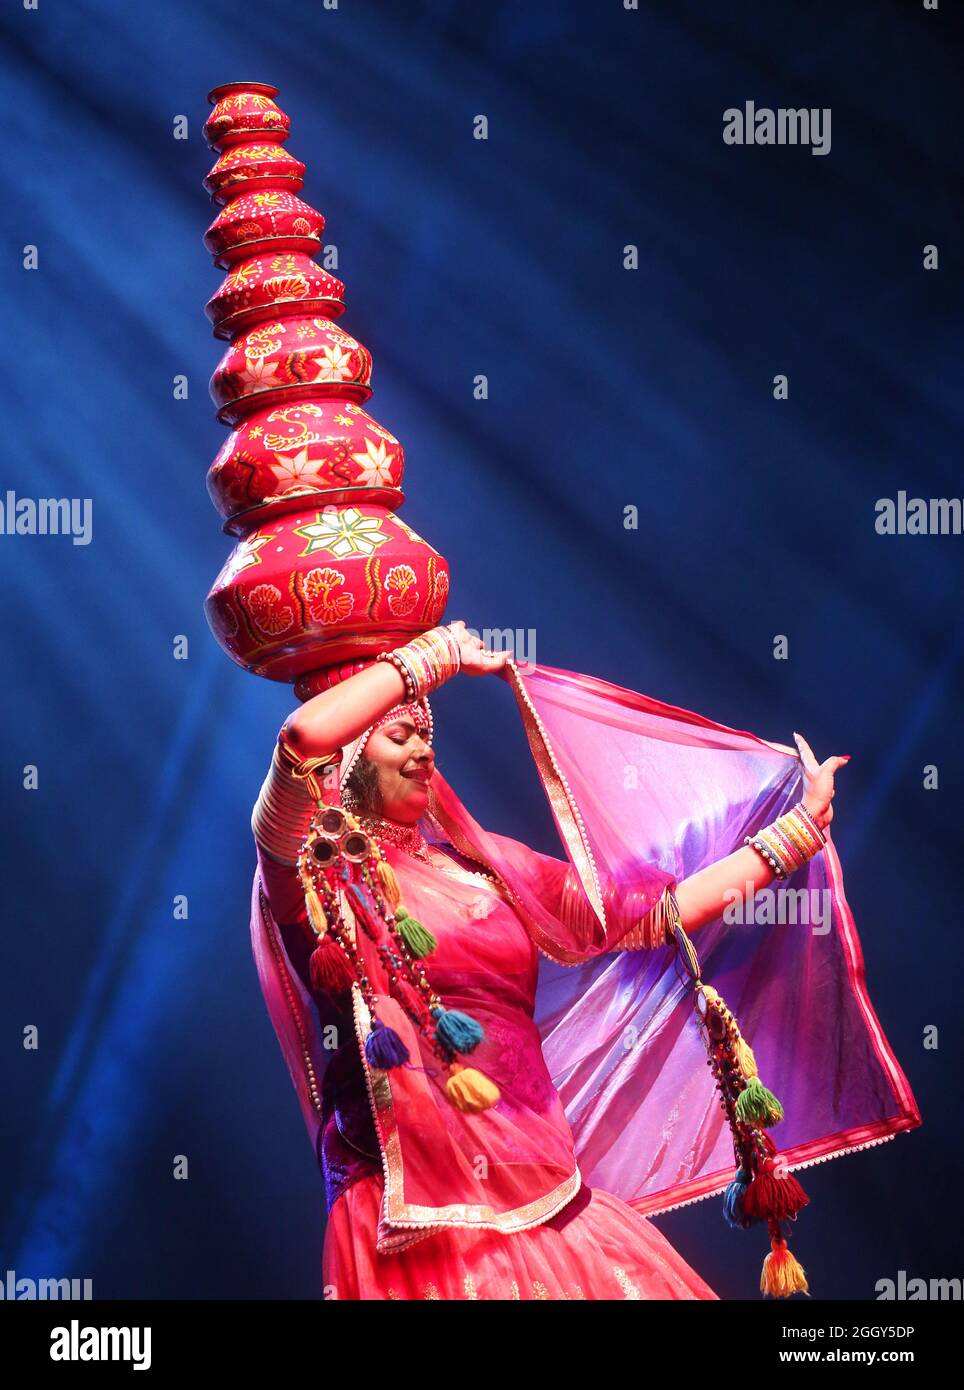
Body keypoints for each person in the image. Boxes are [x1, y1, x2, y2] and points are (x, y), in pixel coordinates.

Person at [249, 620, 872, 1301]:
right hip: (415, 1215)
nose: (426, 751)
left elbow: (655, 914)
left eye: (429, 735)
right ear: (348, 761)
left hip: (545, 1193)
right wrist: (433, 657)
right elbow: (298, 742)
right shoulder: (312, 880)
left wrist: (797, 834)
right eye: (400, 735)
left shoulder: (486, 869)